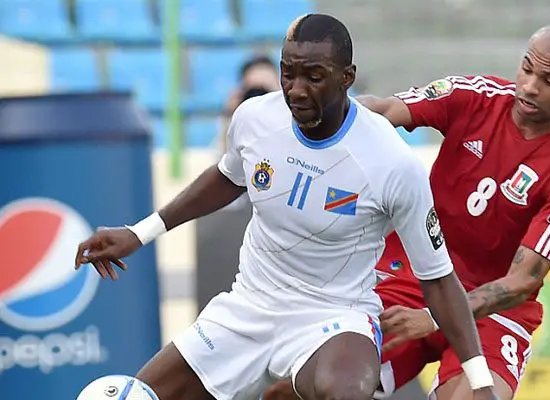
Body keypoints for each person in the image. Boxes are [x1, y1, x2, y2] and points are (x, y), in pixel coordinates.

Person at [74, 14, 497, 400]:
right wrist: (140, 232)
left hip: (333, 317)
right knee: (128, 395)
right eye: (288, 73)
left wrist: (480, 382)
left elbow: (438, 279)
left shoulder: (391, 162)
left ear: (347, 77)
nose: (296, 90)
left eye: (314, 76)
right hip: (248, 306)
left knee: (348, 392)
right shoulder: (255, 119)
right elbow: (227, 177)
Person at [263, 20, 550, 400]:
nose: (530, 86)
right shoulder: (475, 96)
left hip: (493, 312)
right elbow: (383, 110)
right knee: (297, 389)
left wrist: (436, 317)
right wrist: (312, 120)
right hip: (411, 272)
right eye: (527, 68)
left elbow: (523, 279)